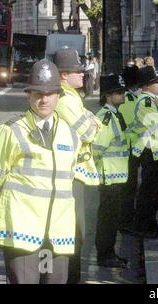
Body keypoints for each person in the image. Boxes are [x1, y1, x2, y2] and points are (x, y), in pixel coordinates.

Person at [0, 60, 80, 284]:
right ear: (28, 95)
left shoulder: (70, 134)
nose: (43, 99)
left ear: (58, 96)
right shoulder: (10, 130)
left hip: (59, 233)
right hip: (22, 232)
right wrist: (12, 206)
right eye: (37, 93)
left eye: (49, 94)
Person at [53, 46, 101, 284]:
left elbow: (92, 125)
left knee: (78, 232)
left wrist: (92, 122)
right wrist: (92, 122)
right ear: (63, 75)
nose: (83, 74)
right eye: (77, 71)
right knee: (73, 233)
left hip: (78, 175)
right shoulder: (63, 99)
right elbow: (89, 131)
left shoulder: (72, 97)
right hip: (70, 175)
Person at [126, 66, 158, 239]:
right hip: (151, 152)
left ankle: (150, 224)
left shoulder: (154, 101)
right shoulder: (146, 102)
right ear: (147, 85)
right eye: (156, 81)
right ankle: (142, 226)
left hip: (157, 152)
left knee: (155, 193)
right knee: (149, 192)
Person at [93, 73, 130, 268]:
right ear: (108, 96)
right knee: (108, 219)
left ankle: (109, 253)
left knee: (111, 218)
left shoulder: (114, 114)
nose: (123, 94)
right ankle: (105, 255)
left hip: (115, 177)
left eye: (123, 91)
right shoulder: (106, 118)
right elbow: (97, 148)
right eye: (118, 92)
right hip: (109, 178)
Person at [118, 65, 140, 233]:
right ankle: (125, 221)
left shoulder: (129, 97)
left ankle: (127, 219)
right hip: (128, 149)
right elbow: (131, 125)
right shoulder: (129, 99)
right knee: (127, 188)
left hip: (128, 149)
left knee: (129, 187)